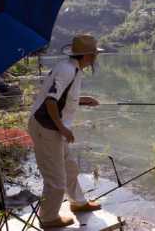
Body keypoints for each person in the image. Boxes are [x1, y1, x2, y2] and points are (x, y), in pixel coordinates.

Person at [28, 35, 103, 229]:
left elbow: (61, 97)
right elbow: (50, 102)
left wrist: (83, 99)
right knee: (56, 180)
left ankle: (78, 203)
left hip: (53, 127)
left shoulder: (72, 68)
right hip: (46, 127)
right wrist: (63, 129)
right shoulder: (68, 71)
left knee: (70, 168)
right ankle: (47, 218)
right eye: (94, 54)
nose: (96, 57)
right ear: (87, 55)